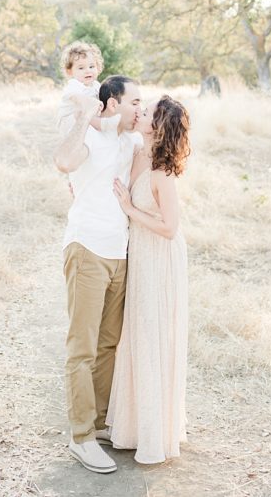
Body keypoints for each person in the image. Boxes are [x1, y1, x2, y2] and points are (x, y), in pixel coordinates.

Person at [54, 75, 143, 474]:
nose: (140, 108)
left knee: (108, 345)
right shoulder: (91, 136)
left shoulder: (129, 141)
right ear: (110, 103)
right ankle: (81, 437)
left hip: (120, 252)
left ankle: (100, 423)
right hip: (87, 248)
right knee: (83, 348)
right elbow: (63, 162)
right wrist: (84, 114)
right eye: (134, 101)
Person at [106, 95, 191, 464]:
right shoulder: (136, 150)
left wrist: (128, 208)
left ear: (158, 127)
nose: (141, 112)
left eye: (149, 112)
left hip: (159, 257)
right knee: (135, 334)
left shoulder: (162, 173)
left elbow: (170, 228)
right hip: (138, 253)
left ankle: (155, 434)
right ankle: (132, 427)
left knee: (152, 334)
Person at [56, 41, 117, 135]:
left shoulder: (96, 85)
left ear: (98, 67)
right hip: (68, 121)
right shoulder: (74, 85)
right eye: (81, 68)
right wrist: (91, 102)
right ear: (70, 71)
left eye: (91, 66)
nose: (88, 71)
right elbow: (76, 97)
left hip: (86, 119)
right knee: (84, 114)